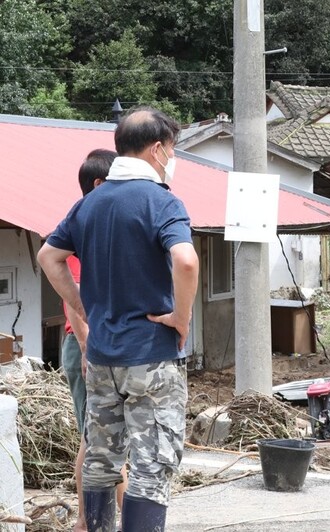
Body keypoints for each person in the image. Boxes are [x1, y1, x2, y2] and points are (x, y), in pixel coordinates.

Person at [39, 107, 199, 532]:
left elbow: (48, 257)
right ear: (157, 148)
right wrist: (180, 318)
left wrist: (84, 306)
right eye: (172, 148)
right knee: (151, 464)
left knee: (100, 458)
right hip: (150, 355)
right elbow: (185, 261)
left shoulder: (89, 204)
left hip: (103, 358)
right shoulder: (160, 200)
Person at [61, 149, 128, 532]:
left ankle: (114, 519)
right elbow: (75, 301)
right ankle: (87, 521)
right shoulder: (81, 222)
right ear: (99, 185)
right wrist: (89, 350)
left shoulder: (103, 223)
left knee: (108, 438)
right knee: (95, 438)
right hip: (87, 346)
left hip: (104, 346)